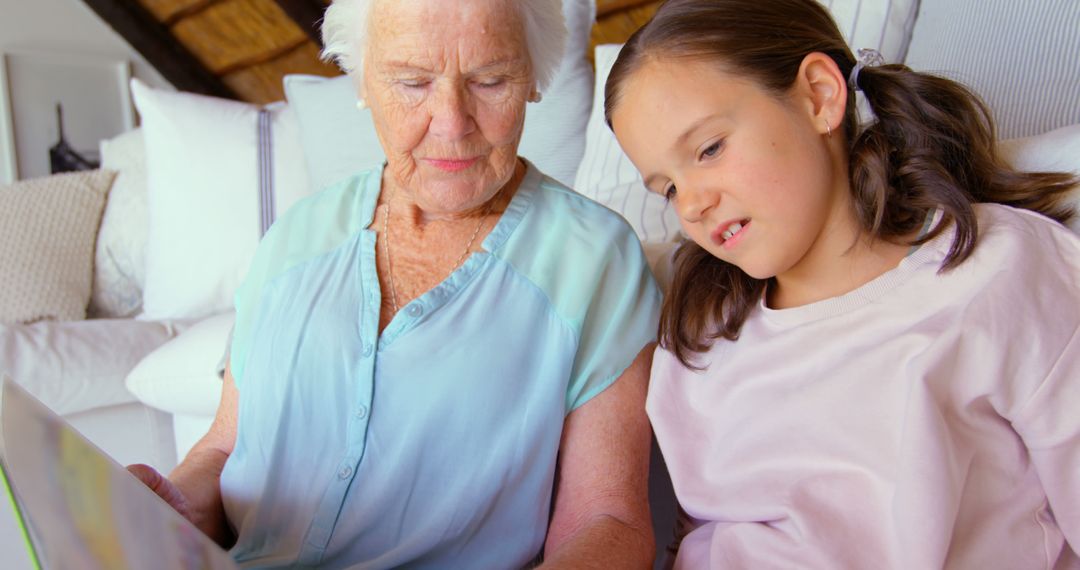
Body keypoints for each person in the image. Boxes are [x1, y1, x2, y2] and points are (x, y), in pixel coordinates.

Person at [127, 0, 662, 567]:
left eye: (489, 79)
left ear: (532, 80)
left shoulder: (593, 257)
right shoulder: (295, 236)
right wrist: (176, 506)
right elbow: (223, 447)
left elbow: (608, 519)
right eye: (412, 82)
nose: (451, 121)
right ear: (362, 83)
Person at [604, 0, 1080, 567]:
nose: (694, 206)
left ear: (819, 96)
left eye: (709, 149)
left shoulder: (998, 268)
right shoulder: (700, 335)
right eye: (669, 189)